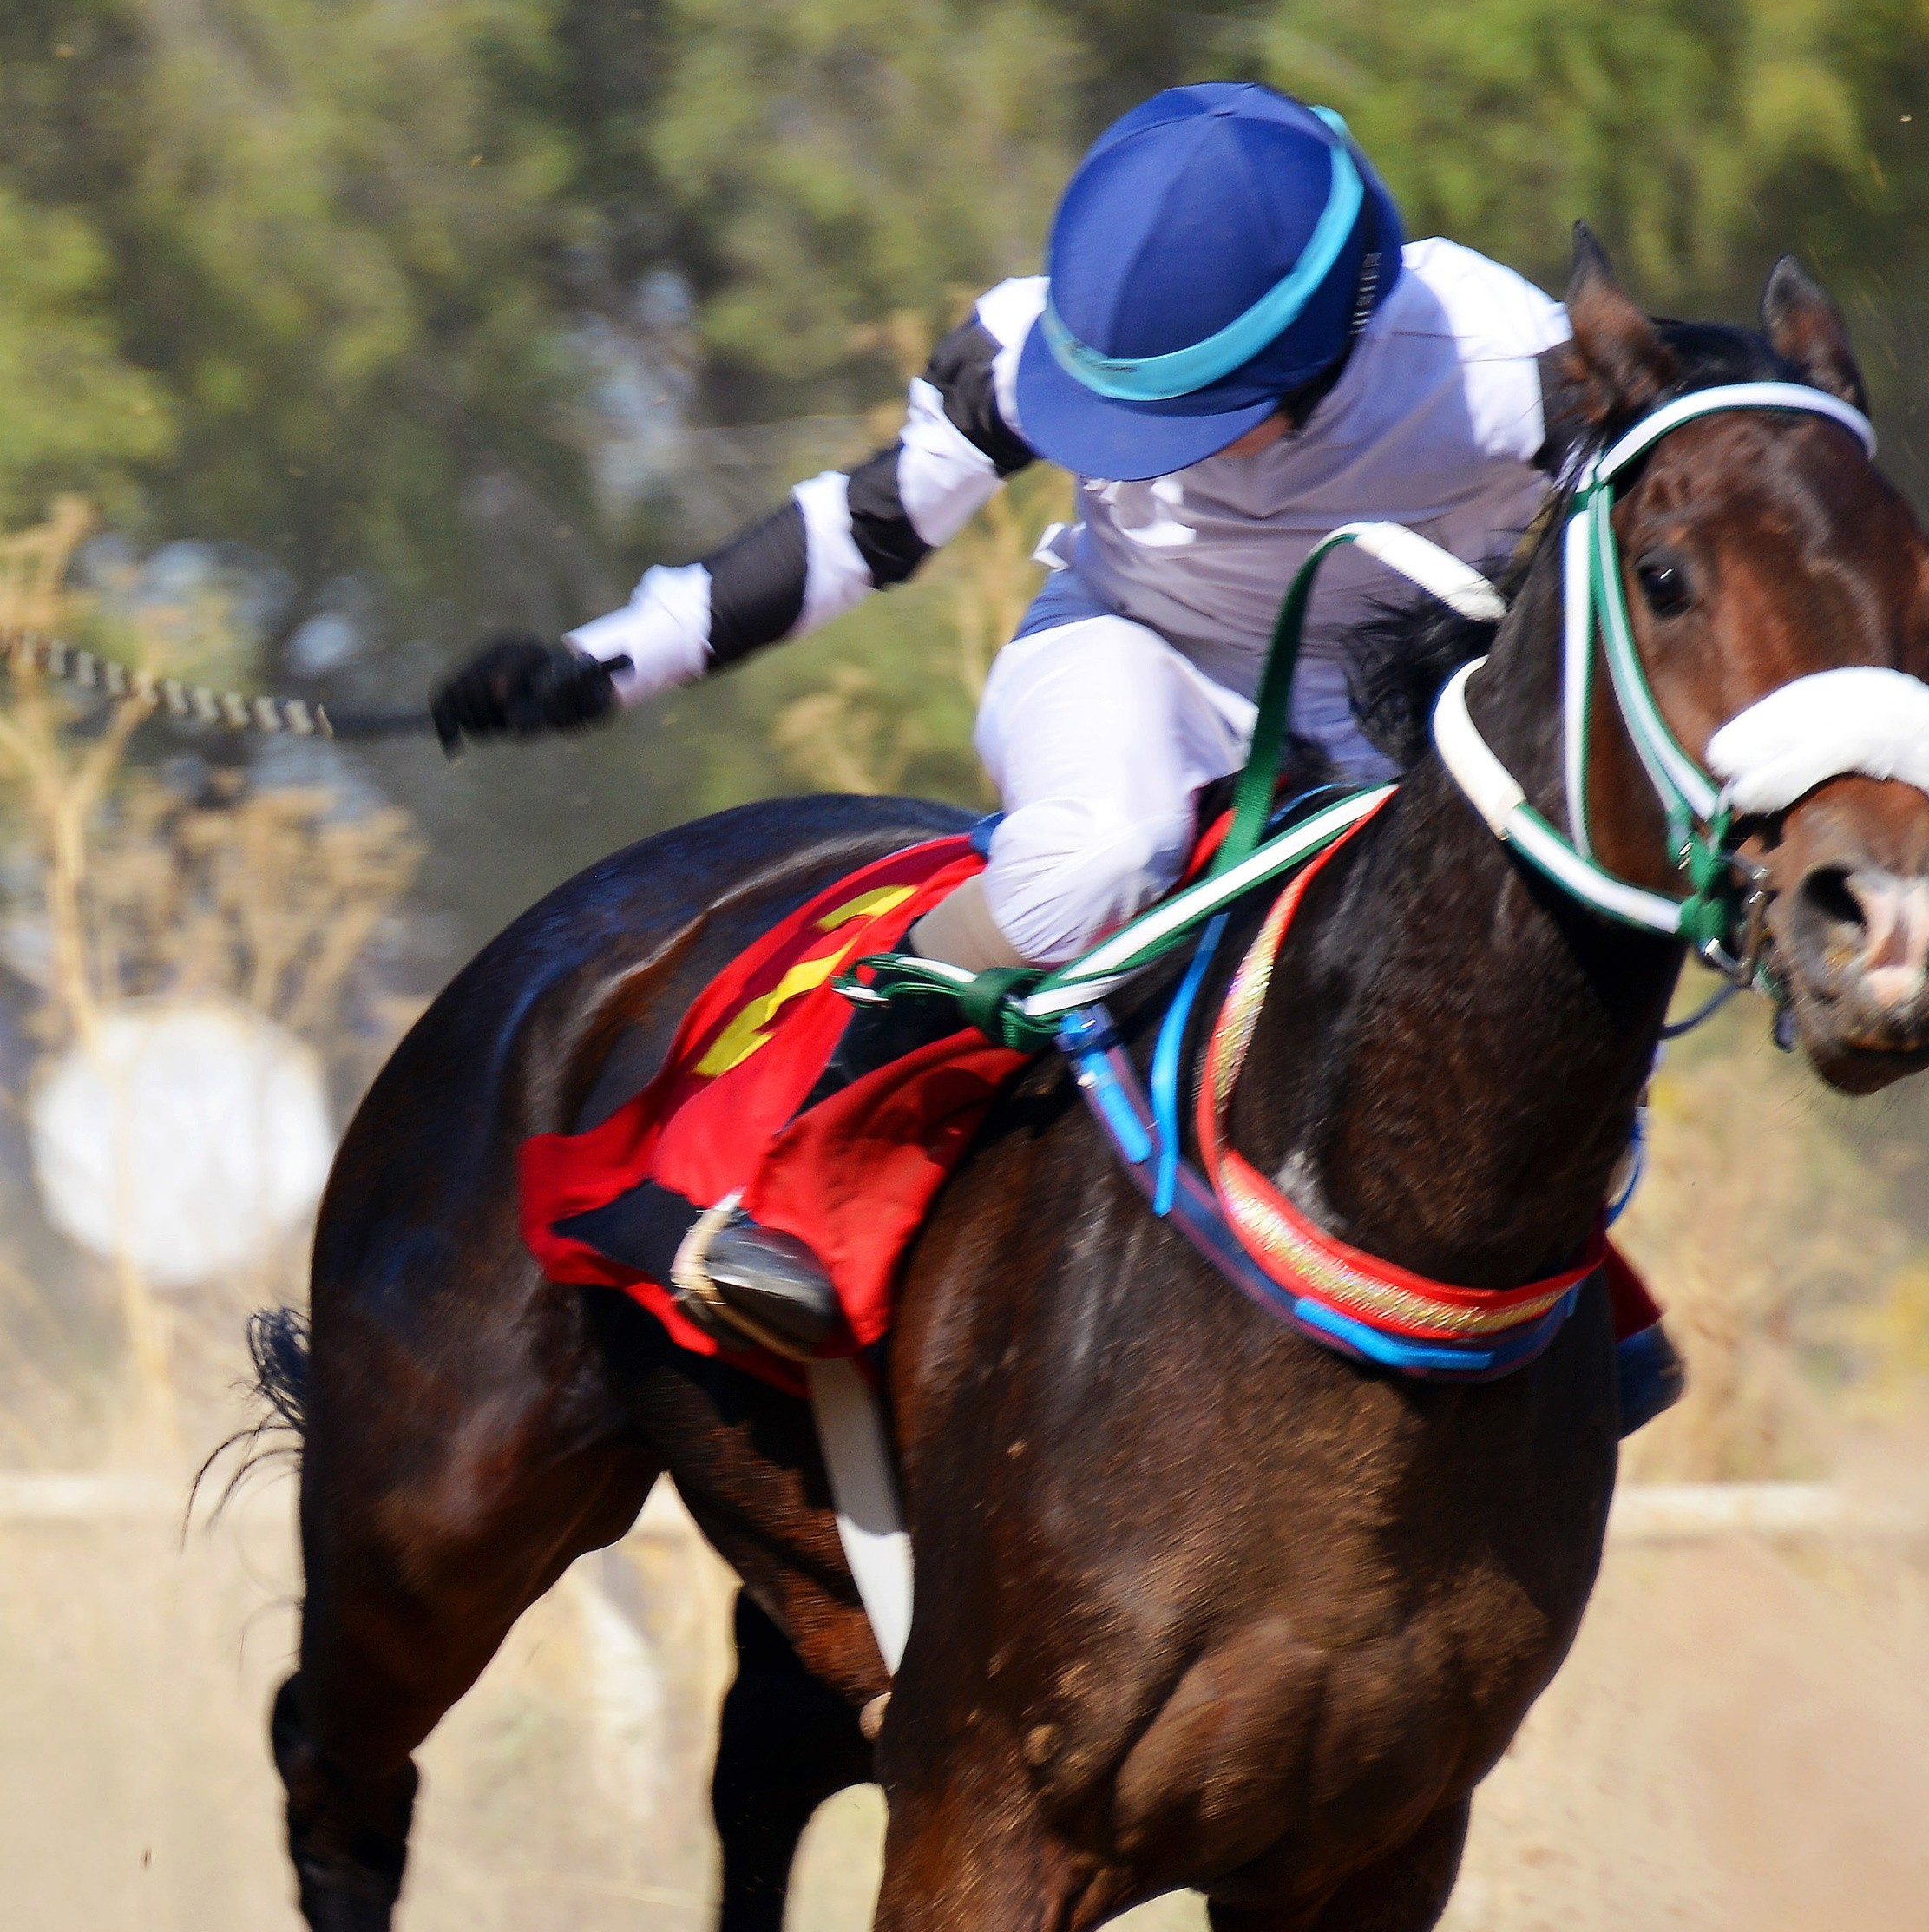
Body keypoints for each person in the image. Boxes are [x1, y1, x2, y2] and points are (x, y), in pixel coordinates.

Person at [436, 82, 1578, 1358]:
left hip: (1377, 729)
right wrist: (610, 662)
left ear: (1329, 348)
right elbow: (865, 528)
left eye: (1188, 415)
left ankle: (1567, 1315)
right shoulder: (1022, 343)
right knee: (1094, 855)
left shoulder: (1514, 374)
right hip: (1126, 652)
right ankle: (772, 1171)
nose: (1144, 449)